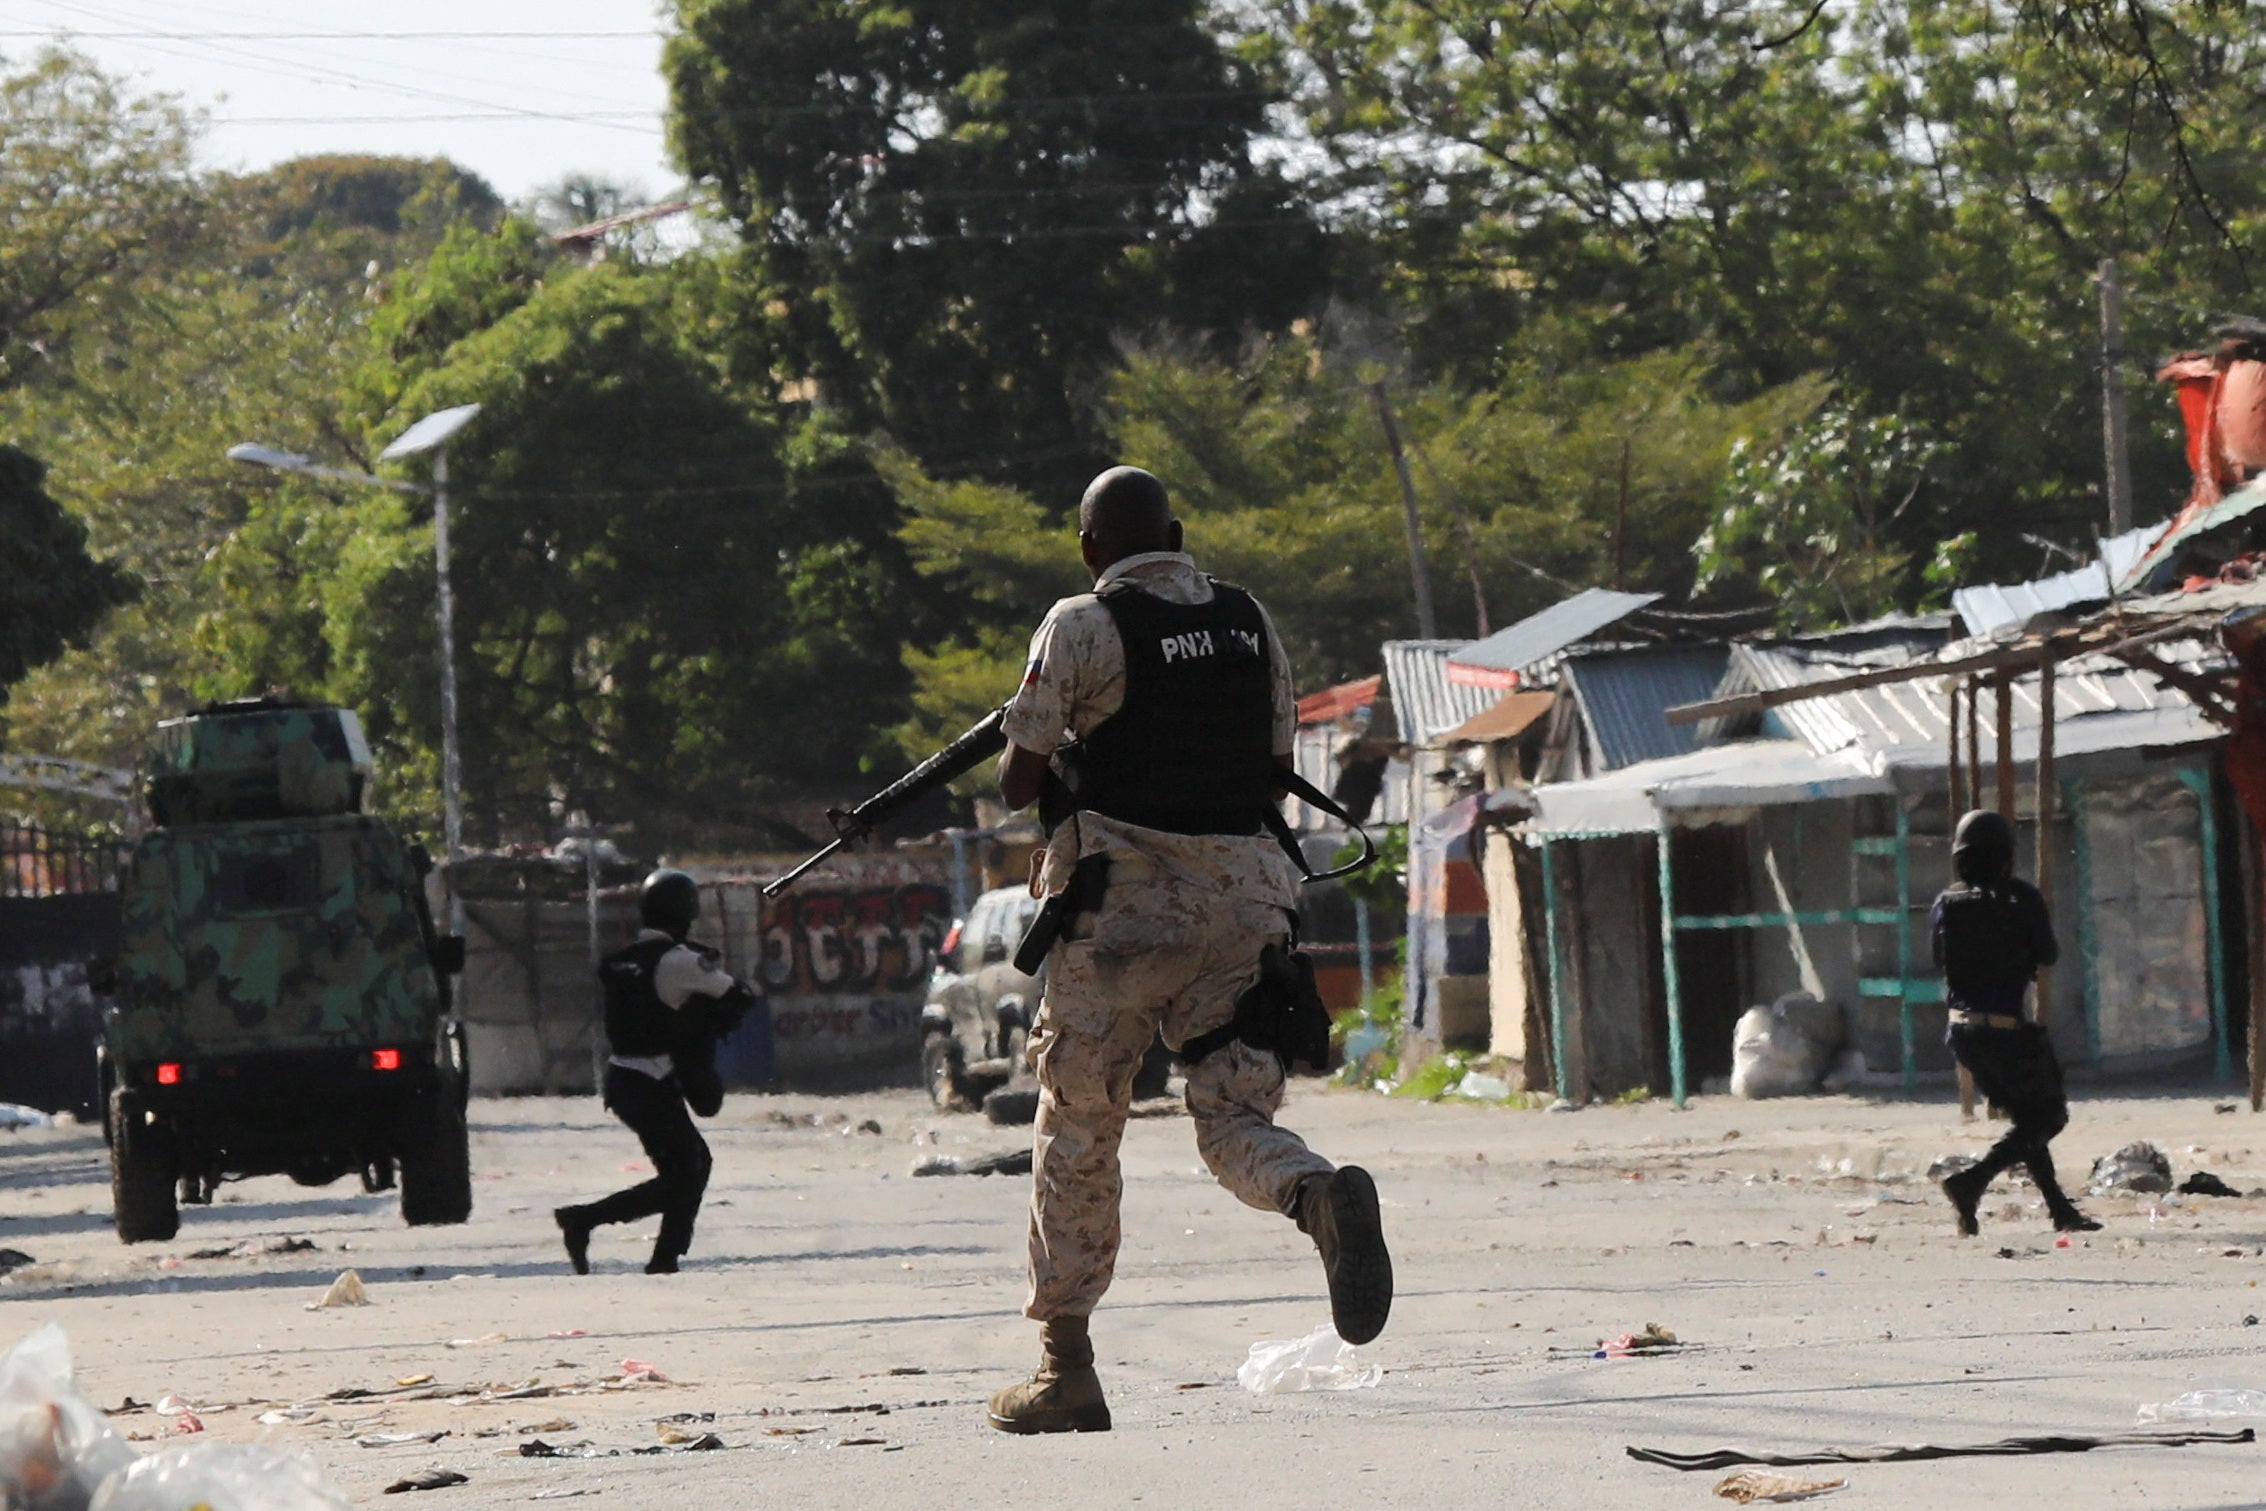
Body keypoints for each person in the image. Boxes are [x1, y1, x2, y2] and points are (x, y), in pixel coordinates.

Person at [985, 465, 1391, 1436]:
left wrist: (1066, 740)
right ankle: (1315, 1193)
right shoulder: (1251, 620)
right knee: (1231, 1110)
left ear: (1090, 550)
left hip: (1119, 915)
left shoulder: (1078, 624)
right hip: (1247, 904)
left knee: (1080, 1129)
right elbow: (1277, 760)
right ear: (1177, 530)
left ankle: (1065, 1369)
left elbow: (1014, 780)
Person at [555, 868, 758, 1274]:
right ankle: (585, 1220)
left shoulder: (628, 961)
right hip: (648, 1083)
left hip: (627, 1081)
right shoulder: (680, 962)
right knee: (686, 1173)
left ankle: (663, 1256)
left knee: (692, 1165)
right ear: (686, 913)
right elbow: (739, 996)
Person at [1934, 809, 2100, 1237]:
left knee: (2028, 1116)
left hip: (1962, 1031)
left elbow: (1939, 961)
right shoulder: (2021, 897)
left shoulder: (1945, 903)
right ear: (2006, 855)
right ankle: (1972, 1180)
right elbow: (2048, 954)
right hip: (2004, 1029)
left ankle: (2060, 1209)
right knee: (2048, 1116)